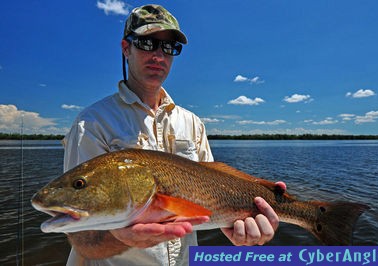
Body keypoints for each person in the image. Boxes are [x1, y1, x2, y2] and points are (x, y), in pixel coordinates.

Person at [63, 4, 284, 266]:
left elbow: (215, 195)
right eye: (147, 43)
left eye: (169, 48)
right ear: (126, 48)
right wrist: (123, 237)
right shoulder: (92, 123)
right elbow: (80, 236)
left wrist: (238, 229)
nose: (158, 55)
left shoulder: (192, 123)